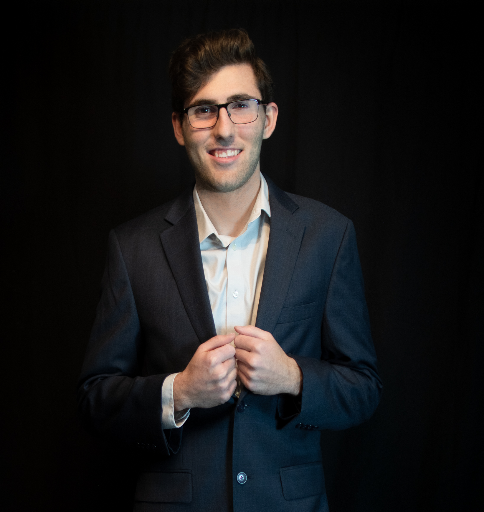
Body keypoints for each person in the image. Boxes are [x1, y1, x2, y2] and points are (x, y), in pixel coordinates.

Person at [78, 28, 382, 512]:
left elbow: (363, 387)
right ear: (179, 127)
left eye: (241, 105)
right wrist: (178, 392)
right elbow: (95, 399)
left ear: (268, 118)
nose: (224, 129)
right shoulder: (132, 248)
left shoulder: (329, 236)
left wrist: (293, 376)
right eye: (204, 110)